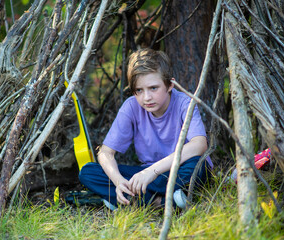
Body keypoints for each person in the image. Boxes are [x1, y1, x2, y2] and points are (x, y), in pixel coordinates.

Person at [79, 48, 212, 209]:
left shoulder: (184, 103)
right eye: (139, 91)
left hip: (176, 170)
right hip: (145, 175)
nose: (146, 97)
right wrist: (119, 181)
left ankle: (136, 200)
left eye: (153, 88)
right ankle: (162, 202)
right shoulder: (131, 107)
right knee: (88, 172)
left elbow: (199, 144)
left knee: (199, 166)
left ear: (170, 85)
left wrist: (151, 173)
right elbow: (106, 153)